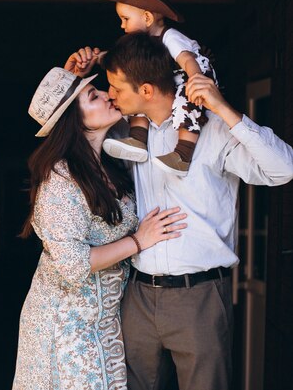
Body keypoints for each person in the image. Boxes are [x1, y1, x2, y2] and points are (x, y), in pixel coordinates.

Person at [65, 33, 293, 390]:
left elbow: (283, 169)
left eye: (116, 88)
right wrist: (73, 79)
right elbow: (71, 127)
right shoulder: (124, 132)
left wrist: (225, 109)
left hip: (198, 298)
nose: (110, 95)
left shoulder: (214, 130)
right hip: (137, 295)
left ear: (146, 90)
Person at [12, 66, 187, 390]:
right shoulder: (60, 180)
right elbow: (74, 265)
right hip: (65, 324)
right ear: (73, 122)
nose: (108, 95)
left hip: (105, 321)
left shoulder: (109, 161)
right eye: (94, 96)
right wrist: (138, 240)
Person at [97, 0, 218, 176]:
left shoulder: (170, 37)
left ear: (147, 18)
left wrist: (196, 81)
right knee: (136, 91)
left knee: (185, 103)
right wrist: (102, 57)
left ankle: (183, 154)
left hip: (191, 74)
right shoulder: (144, 42)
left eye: (125, 19)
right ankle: (137, 139)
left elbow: (187, 59)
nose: (121, 26)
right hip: (168, 77)